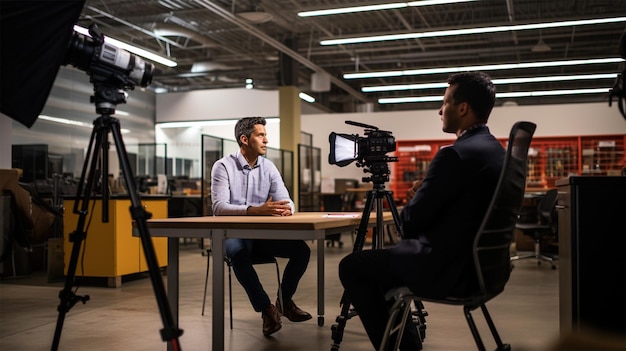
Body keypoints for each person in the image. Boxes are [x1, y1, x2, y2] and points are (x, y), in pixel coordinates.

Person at [338, 71, 505, 350]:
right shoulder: (495, 151)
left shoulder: (454, 154)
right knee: (386, 270)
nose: (441, 110)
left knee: (353, 266)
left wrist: (416, 198)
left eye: (446, 102)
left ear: (462, 108)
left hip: (450, 270)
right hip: (487, 270)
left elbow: (410, 224)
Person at [211, 116, 312, 337]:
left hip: (262, 235)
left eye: (265, 135)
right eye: (261, 135)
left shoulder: (269, 167)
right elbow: (219, 207)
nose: (266, 140)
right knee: (239, 252)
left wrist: (288, 209)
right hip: (232, 234)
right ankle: (267, 309)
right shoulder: (223, 166)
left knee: (301, 250)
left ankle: (284, 303)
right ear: (245, 139)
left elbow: (287, 200)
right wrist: (254, 210)